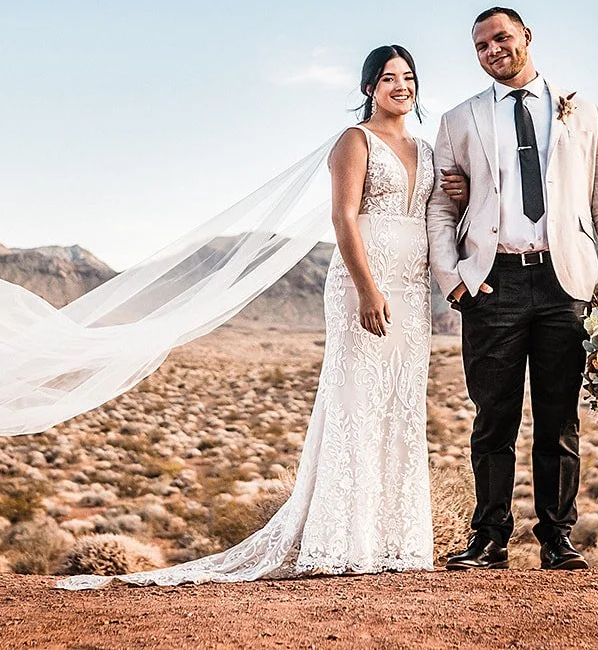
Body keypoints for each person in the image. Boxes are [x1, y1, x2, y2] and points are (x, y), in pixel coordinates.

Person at [58, 44, 468, 588]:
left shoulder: (424, 146)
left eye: (409, 77)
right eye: (389, 77)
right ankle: (342, 539)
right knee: (355, 403)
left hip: (414, 293)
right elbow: (344, 219)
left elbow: (438, 212)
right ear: (369, 87)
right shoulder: (355, 141)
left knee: (400, 408)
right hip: (361, 285)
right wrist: (368, 290)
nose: (402, 86)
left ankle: (396, 541)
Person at [427, 7, 598, 572]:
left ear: (526, 37)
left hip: (565, 282)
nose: (491, 49)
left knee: (558, 416)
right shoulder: (458, 120)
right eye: (479, 46)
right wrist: (454, 281)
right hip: (491, 280)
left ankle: (556, 537)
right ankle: (490, 537)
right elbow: (442, 209)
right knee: (493, 416)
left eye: (501, 38)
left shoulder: (581, 111)